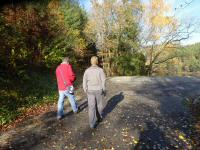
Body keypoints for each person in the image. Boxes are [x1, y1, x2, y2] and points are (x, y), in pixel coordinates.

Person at [83, 56, 106, 129]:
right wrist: (104, 90)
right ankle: (99, 117)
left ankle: (91, 123)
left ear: (91, 62)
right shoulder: (100, 70)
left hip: (90, 90)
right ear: (97, 62)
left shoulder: (87, 70)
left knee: (91, 107)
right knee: (99, 105)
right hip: (98, 90)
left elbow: (84, 81)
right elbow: (104, 81)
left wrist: (85, 89)